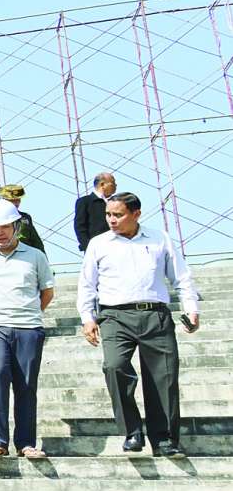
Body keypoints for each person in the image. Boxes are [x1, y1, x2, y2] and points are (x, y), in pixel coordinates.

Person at [78, 192, 199, 457]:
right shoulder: (99, 244)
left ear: (136, 214)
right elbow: (87, 284)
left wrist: (191, 308)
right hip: (114, 316)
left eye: (118, 215)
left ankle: (164, 439)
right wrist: (87, 318)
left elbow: (181, 276)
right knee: (114, 366)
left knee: (163, 377)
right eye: (108, 214)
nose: (111, 220)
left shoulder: (159, 238)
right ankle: (132, 431)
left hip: (155, 315)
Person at [0, 200, 54, 460]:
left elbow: (47, 292)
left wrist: (27, 313)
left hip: (28, 327)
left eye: (4, 227)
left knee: (26, 384)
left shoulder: (35, 256)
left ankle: (26, 443)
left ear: (16, 226)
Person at [0, 184, 45, 253]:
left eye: (18, 200)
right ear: (4, 200)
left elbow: (36, 242)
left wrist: (42, 256)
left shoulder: (25, 217)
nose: (16, 203)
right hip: (4, 254)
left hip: (25, 254)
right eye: (12, 200)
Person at [74, 171, 116, 252]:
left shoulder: (115, 202)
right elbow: (80, 227)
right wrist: (89, 247)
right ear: (102, 184)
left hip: (116, 247)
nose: (115, 185)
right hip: (97, 249)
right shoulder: (85, 201)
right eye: (113, 182)